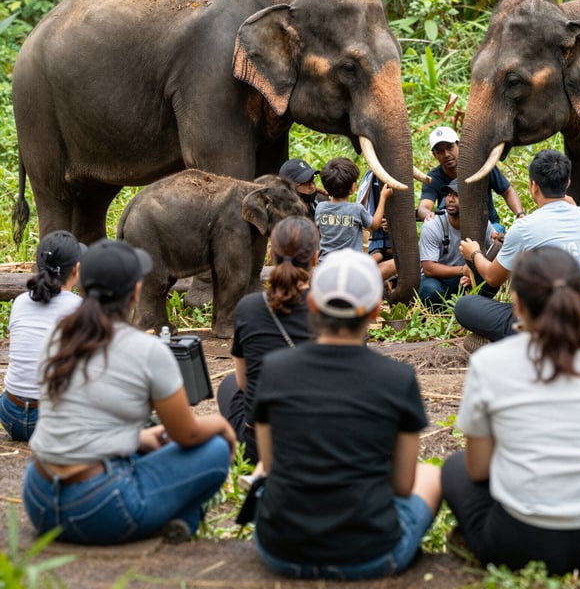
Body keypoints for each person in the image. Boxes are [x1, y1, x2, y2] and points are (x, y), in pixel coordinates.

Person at [442, 246, 580, 575]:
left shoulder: (488, 363)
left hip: (521, 542)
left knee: (454, 469)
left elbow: (478, 470)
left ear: (517, 303)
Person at [23, 238, 236, 545]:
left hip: (39, 497)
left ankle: (169, 518)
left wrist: (136, 438)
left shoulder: (59, 335)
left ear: (83, 284)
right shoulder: (147, 350)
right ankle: (182, 520)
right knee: (214, 449)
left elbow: (80, 420)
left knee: (152, 441)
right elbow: (187, 435)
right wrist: (221, 425)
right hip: (99, 506)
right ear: (135, 291)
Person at [252, 249, 442, 579]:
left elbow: (269, 466)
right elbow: (402, 485)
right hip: (371, 554)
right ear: (376, 312)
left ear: (311, 304)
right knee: (432, 475)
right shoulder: (398, 379)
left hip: (281, 549)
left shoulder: (275, 369)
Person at [455, 148, 580, 345]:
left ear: (533, 186)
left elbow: (492, 277)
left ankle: (517, 344)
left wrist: (474, 254)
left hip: (544, 324)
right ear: (568, 183)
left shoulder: (525, 227)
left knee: (465, 306)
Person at [217, 216, 319, 464]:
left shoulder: (249, 307)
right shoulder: (331, 308)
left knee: (228, 385)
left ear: (270, 254)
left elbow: (243, 382)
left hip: (259, 446)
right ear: (316, 257)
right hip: (320, 441)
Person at [1, 231, 85, 441]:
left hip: (10, 414)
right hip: (52, 420)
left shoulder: (20, 301)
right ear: (77, 269)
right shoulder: (79, 308)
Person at [416, 126, 524, 232]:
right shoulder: (434, 177)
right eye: (440, 151)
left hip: (488, 226)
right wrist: (429, 216)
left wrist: (520, 214)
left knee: (496, 239)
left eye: (450, 148)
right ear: (434, 155)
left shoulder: (481, 166)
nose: (446, 154)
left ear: (459, 146)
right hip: (452, 231)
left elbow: (507, 191)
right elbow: (424, 207)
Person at [418, 179, 495, 309]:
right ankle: (446, 311)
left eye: (456, 195)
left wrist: (475, 275)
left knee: (491, 280)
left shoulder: (481, 223)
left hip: (465, 279)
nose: (450, 199)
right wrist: (462, 271)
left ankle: (472, 309)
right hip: (438, 279)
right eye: (448, 194)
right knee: (430, 291)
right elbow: (429, 268)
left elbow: (493, 252)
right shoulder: (432, 225)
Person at [315, 156, 391, 261]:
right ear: (353, 187)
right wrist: (383, 197)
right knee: (392, 265)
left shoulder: (320, 208)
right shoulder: (356, 209)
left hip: (325, 263)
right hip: (351, 265)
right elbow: (375, 225)